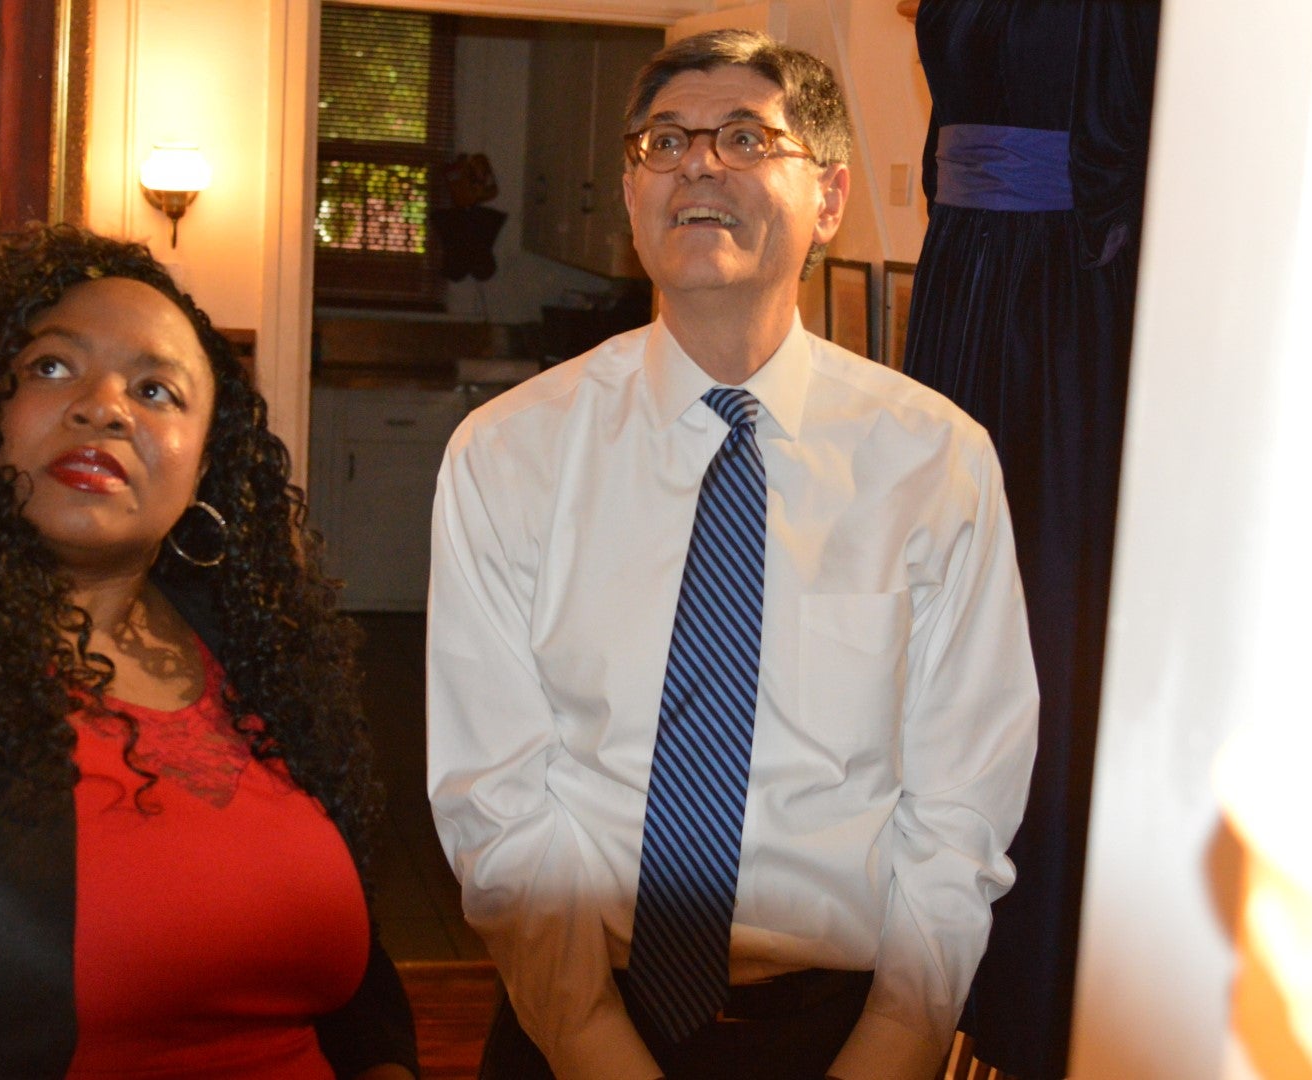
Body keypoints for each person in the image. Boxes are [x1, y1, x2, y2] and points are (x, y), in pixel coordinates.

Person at [427, 28, 1038, 1080]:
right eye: (662, 141)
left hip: (838, 1034)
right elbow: (497, 798)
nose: (698, 164)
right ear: (630, 193)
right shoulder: (510, 454)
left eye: (748, 139)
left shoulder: (936, 461)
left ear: (831, 198)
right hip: (571, 1018)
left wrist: (896, 1043)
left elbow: (959, 809)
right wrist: (589, 1044)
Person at [0, 224, 418, 1079]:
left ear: (202, 470)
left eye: (157, 391)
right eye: (51, 366)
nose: (105, 405)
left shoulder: (261, 658)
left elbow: (355, 994)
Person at [898, 4, 1159, 1076]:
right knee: (931, 631)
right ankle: (921, 978)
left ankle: (1027, 997)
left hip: (1063, 310)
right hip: (961, 290)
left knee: (1045, 635)